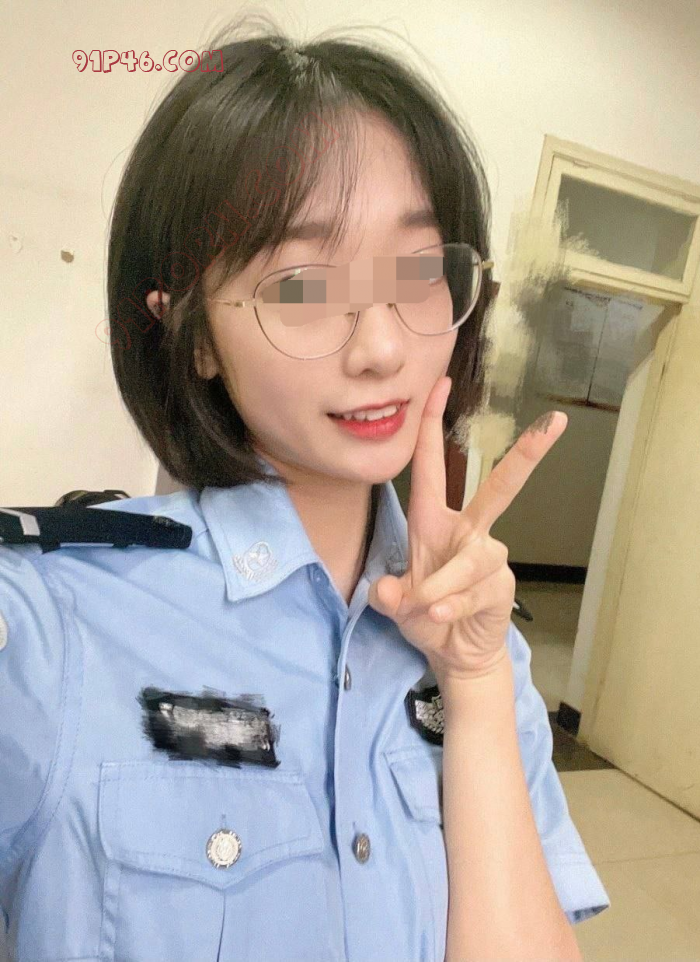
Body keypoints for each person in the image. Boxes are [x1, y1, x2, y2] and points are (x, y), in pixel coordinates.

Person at [0, 16, 610, 962]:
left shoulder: (488, 649)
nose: (382, 347)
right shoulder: (49, 624)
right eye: (300, 287)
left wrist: (477, 681)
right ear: (192, 334)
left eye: (419, 271)